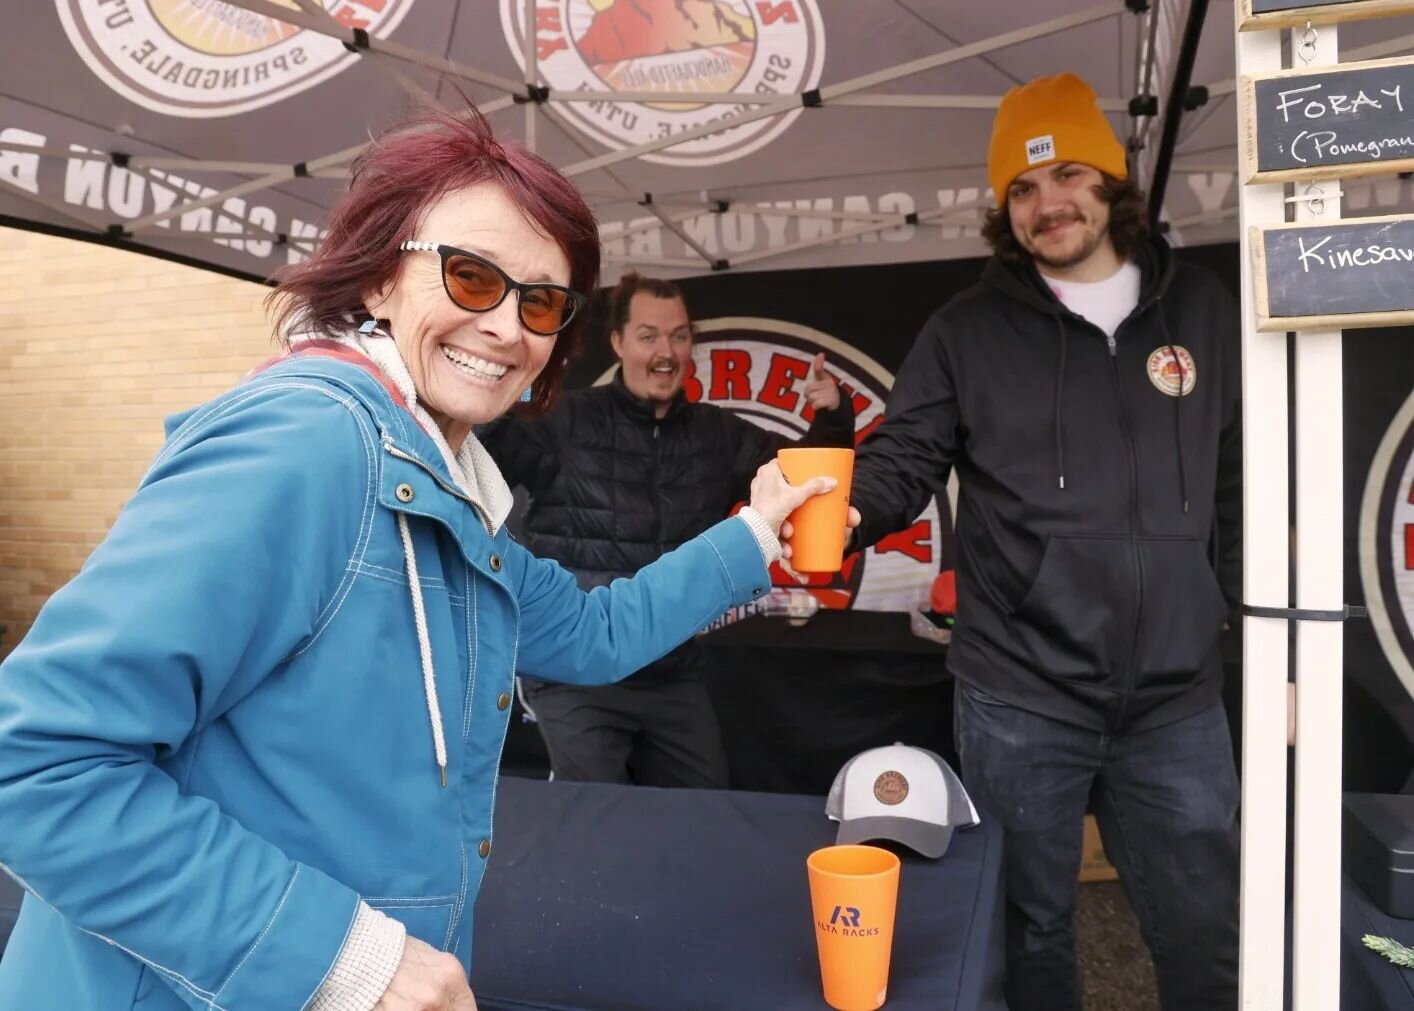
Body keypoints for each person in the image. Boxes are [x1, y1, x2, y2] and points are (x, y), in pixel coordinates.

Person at [0, 106, 847, 1011]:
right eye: (471, 275)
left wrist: (754, 533)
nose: (506, 326)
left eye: (542, 302)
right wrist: (348, 960)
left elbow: (597, 633)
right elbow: (37, 764)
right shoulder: (306, 443)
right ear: (376, 281)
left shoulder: (443, 489)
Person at [846, 73, 1242, 1011]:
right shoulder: (965, 332)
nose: (1045, 203)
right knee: (1029, 929)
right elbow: (900, 460)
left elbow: (1244, 489)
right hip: (1020, 693)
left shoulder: (1207, 314)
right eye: (1021, 189)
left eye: (1067, 174)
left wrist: (1270, 650)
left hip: (1179, 698)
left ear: (1113, 183)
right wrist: (843, 505)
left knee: (1205, 926)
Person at [480, 272, 855, 788]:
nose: (667, 351)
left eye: (679, 336)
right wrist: (506, 388)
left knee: (703, 816)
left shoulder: (718, 434)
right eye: (649, 335)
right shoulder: (565, 419)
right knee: (592, 818)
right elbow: (474, 461)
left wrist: (833, 418)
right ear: (618, 343)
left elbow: (801, 478)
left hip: (672, 672)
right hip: (576, 672)